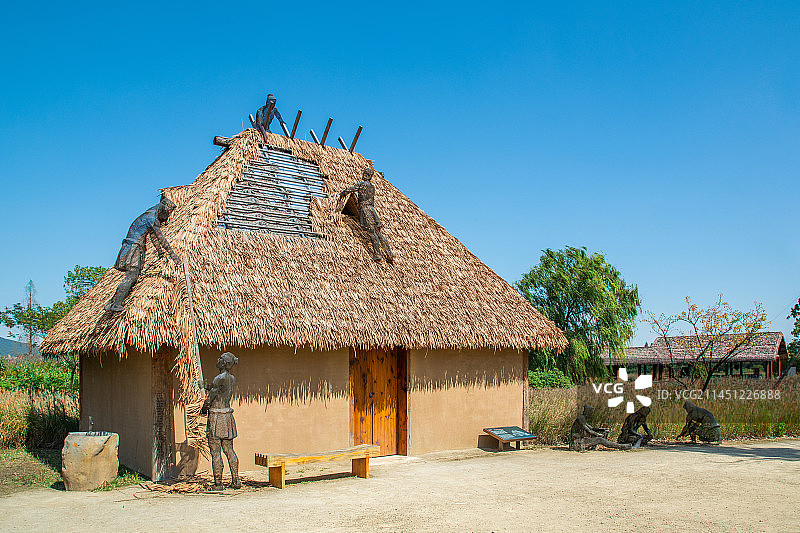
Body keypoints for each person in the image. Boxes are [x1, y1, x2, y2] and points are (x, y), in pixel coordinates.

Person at [105, 197, 181, 313]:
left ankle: (111, 303)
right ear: (164, 208)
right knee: (131, 277)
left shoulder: (149, 216)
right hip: (133, 248)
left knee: (131, 277)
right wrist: (173, 256)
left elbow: (153, 237)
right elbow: (161, 238)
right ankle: (116, 304)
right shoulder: (151, 218)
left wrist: (160, 252)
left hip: (133, 247)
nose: (167, 217)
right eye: (168, 213)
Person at [201, 352, 241, 490]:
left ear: (223, 363)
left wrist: (202, 410)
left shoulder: (219, 378)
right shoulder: (231, 378)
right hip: (227, 415)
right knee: (229, 450)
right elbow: (217, 389)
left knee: (216, 452)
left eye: (220, 359)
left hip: (217, 417)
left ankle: (218, 484)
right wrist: (206, 386)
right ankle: (236, 480)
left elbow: (210, 398)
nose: (217, 361)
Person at [338, 166, 395, 263]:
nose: (364, 176)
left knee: (372, 232)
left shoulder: (362, 184)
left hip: (365, 210)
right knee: (378, 233)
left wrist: (343, 193)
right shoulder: (372, 187)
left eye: (365, 175)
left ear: (368, 176)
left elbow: (351, 189)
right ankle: (389, 253)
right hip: (372, 210)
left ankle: (377, 254)